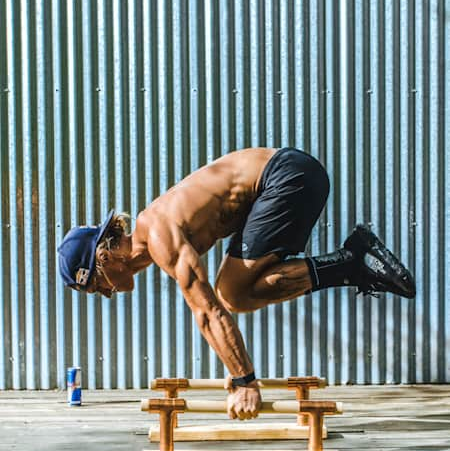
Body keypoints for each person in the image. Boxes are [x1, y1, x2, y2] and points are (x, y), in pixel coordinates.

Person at [58, 147, 416, 419]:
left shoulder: (157, 234)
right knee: (237, 291)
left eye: (96, 286)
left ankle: (352, 263)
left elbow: (207, 312)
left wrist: (245, 381)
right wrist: (236, 370)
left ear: (104, 259)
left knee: (229, 293)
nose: (105, 294)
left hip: (287, 175)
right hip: (283, 179)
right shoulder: (156, 233)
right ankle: (350, 264)